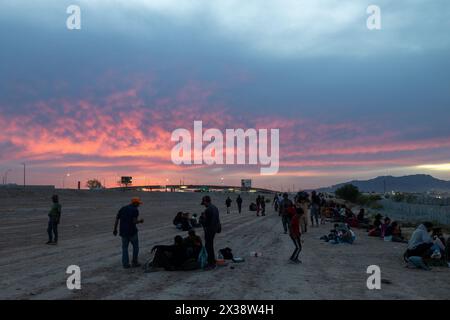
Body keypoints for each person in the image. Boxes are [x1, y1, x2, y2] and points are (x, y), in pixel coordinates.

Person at [113, 197, 144, 269]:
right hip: (132, 232)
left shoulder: (122, 208)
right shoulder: (135, 210)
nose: (139, 205)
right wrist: (140, 221)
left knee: (125, 248)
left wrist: (115, 229)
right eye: (138, 204)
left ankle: (125, 264)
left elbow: (117, 219)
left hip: (123, 232)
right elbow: (134, 221)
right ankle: (134, 262)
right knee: (136, 247)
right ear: (135, 203)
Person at [200, 196, 221, 270]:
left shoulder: (208, 210)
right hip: (214, 229)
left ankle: (211, 263)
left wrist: (201, 219)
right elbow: (217, 219)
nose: (204, 205)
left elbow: (206, 223)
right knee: (210, 245)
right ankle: (212, 261)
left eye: (204, 203)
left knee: (208, 246)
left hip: (209, 230)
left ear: (206, 201)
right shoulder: (215, 207)